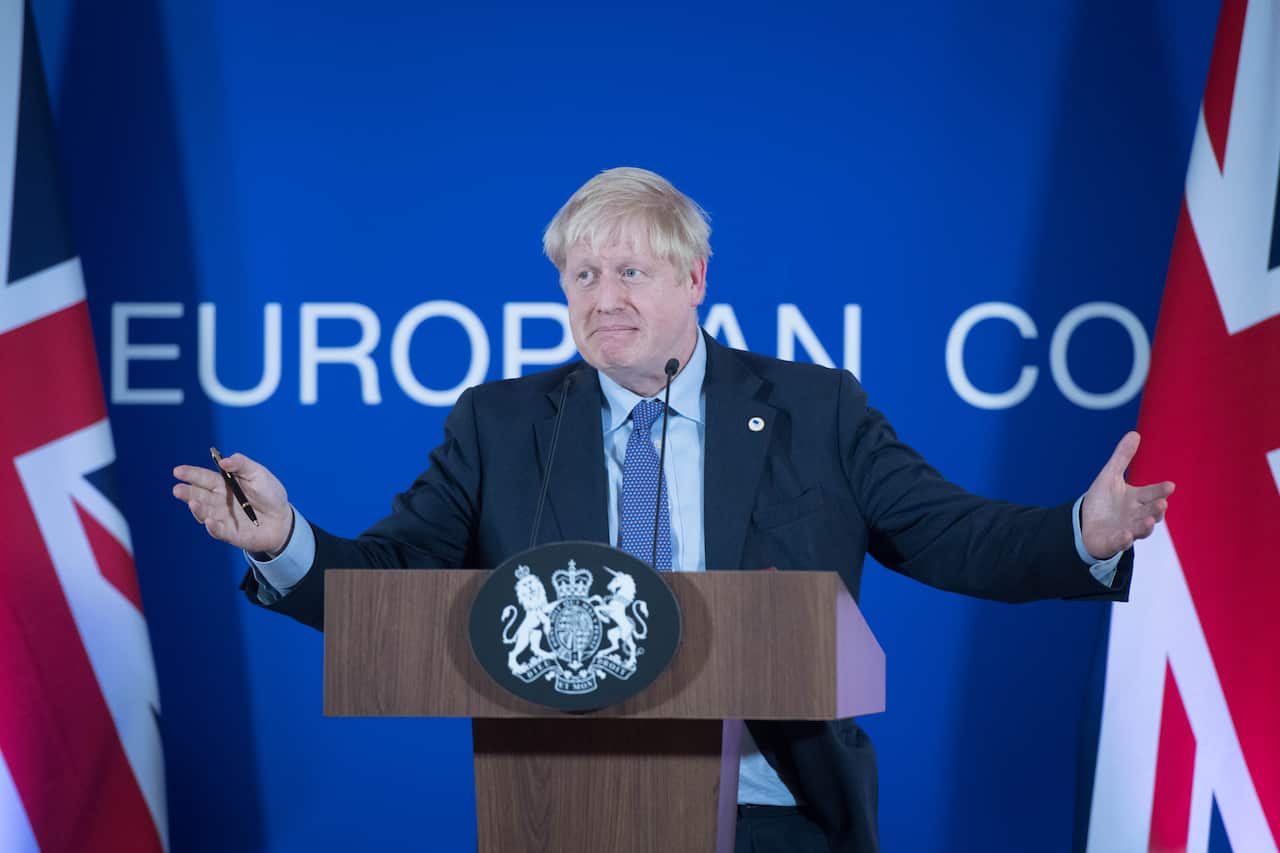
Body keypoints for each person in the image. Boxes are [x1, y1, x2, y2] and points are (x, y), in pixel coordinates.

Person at [172, 167, 1174, 853]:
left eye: (630, 271)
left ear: (694, 278)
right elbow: (395, 579)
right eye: (580, 274)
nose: (601, 296)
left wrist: (1075, 532)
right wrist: (289, 544)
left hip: (773, 814)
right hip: (564, 814)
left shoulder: (809, 410)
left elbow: (948, 532)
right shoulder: (501, 422)